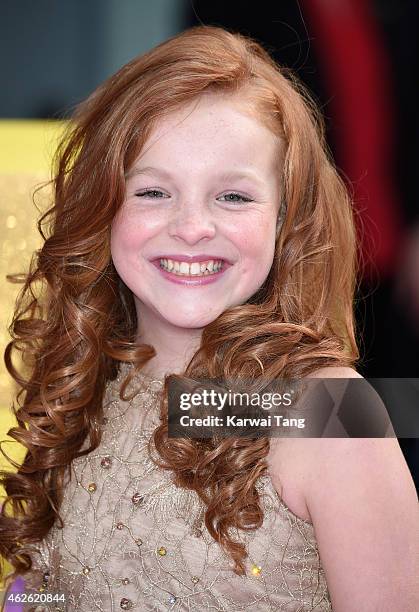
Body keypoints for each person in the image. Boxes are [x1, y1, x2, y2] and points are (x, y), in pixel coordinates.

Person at [0, 25, 418, 611]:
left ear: (286, 220)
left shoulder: (330, 413)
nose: (192, 226)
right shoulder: (86, 385)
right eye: (152, 192)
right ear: (102, 208)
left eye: (233, 197)